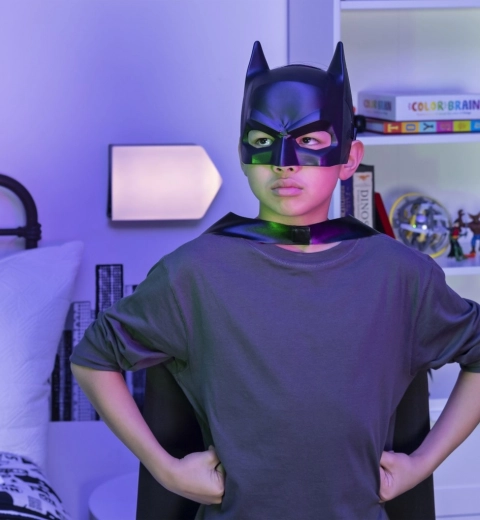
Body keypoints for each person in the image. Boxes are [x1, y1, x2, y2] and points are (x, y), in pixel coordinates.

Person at [70, 42, 480, 519]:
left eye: (310, 141)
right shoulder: (194, 272)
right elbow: (94, 357)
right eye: (263, 140)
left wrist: (421, 465)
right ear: (244, 154)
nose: (284, 162)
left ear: (349, 158)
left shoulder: (400, 275)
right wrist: (167, 470)